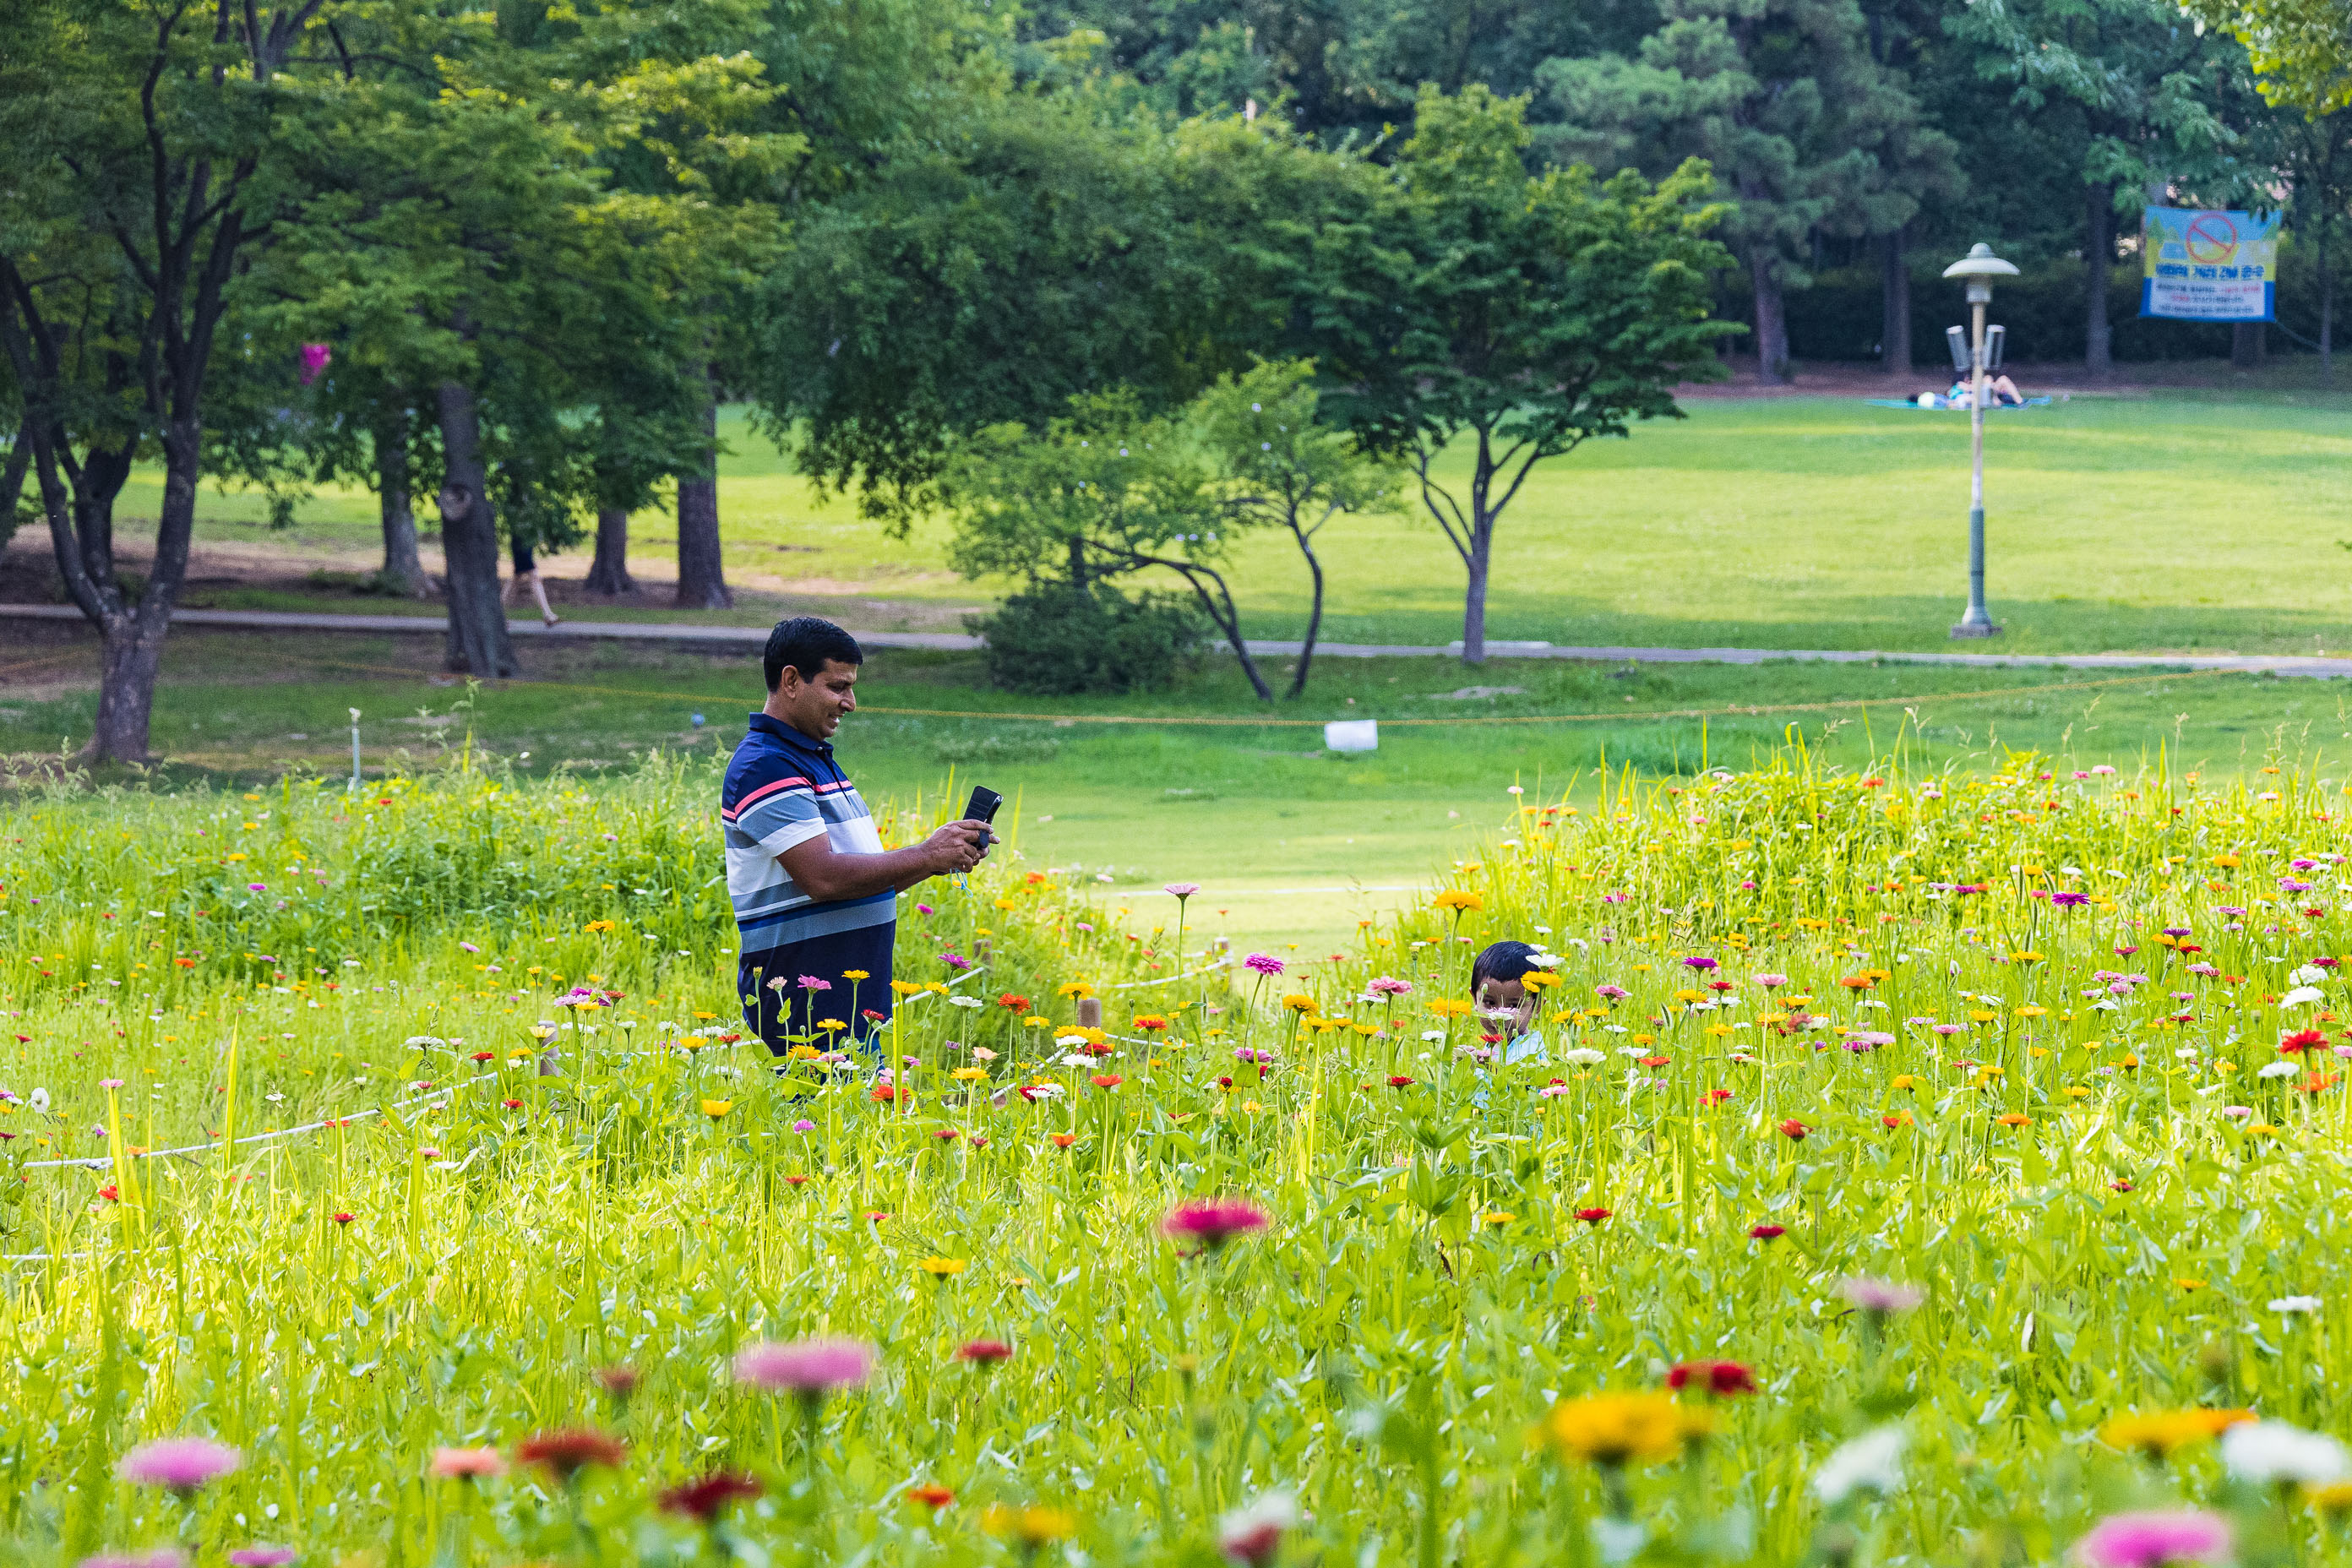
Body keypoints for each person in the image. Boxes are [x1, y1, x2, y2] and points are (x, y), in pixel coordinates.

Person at [724, 616, 991, 1054]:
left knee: (861, 1118)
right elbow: (824, 879)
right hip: (808, 1000)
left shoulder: (811, 758)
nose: (850, 702)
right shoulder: (766, 765)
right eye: (838, 686)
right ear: (791, 680)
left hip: (847, 995)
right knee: (819, 1120)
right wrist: (925, 854)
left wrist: (939, 856)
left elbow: (864, 881)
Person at [1471, 939, 1549, 1065]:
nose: (1500, 1014)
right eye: (1490, 1002)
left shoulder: (1531, 1045)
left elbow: (1523, 1073)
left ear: (1537, 1007)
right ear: (1475, 999)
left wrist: (1486, 1063)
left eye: (1514, 1005)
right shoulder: (1491, 1046)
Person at [504, 535, 559, 627]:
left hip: (526, 540)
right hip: (521, 540)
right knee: (532, 575)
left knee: (517, 578)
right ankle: (547, 614)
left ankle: (496, 614)